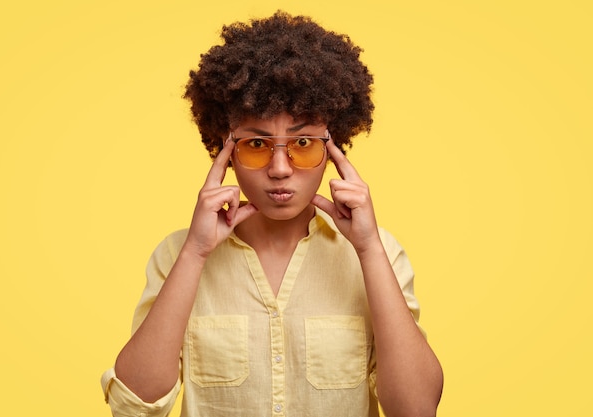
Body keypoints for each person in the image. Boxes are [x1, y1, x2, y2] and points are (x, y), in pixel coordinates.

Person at [101, 11, 443, 417]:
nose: (280, 168)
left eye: (303, 142)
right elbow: (134, 405)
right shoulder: (179, 255)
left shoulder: (379, 252)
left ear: (333, 149)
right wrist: (194, 253)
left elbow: (416, 409)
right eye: (257, 144)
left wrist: (368, 250)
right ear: (225, 151)